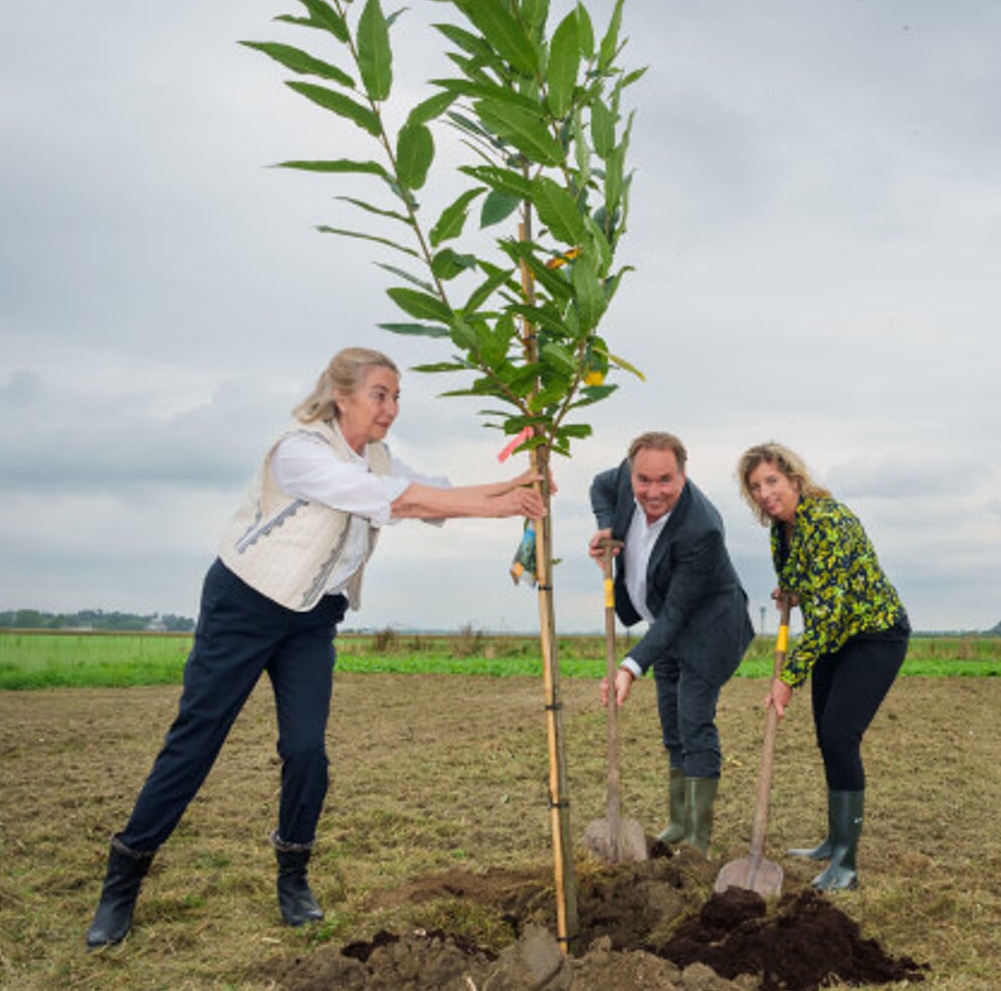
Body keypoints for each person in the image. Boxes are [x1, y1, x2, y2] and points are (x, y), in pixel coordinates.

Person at [84, 347, 545, 946]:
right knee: (197, 741)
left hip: (311, 619)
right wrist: (502, 502)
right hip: (245, 604)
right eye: (381, 394)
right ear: (342, 394)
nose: (392, 408)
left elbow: (431, 492)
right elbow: (399, 500)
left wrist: (517, 487)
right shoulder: (299, 452)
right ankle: (123, 878)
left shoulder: (377, 457)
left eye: (398, 396)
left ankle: (293, 876)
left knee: (306, 750)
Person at [736, 442, 910, 891]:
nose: (765, 493)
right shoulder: (782, 530)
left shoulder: (828, 521)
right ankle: (834, 841)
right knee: (827, 737)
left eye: (772, 481)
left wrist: (789, 678)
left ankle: (846, 865)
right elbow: (803, 582)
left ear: (794, 478)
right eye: (756, 486)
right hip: (834, 638)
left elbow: (832, 613)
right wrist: (789, 593)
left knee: (840, 734)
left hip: (873, 635)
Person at [588, 431, 755, 853]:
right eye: (644, 480)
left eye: (665, 480)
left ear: (683, 474)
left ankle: (698, 838)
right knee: (671, 723)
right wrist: (607, 525)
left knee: (694, 721)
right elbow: (599, 485)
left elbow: (680, 614)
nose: (653, 491)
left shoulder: (702, 529)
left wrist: (629, 666)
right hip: (663, 622)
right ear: (633, 472)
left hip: (709, 629)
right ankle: (678, 823)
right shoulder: (624, 481)